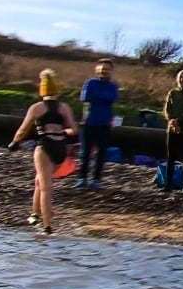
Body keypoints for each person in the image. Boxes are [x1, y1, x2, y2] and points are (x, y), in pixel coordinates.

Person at [9, 69, 77, 234]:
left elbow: (23, 129)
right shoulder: (64, 107)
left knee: (45, 186)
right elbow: (73, 130)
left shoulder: (37, 108)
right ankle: (34, 214)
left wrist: (15, 142)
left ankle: (47, 227)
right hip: (60, 147)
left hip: (44, 146)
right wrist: (61, 132)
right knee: (40, 180)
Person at [78, 59, 119, 190]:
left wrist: (98, 97)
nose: (103, 71)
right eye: (101, 69)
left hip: (104, 123)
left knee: (102, 152)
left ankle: (96, 179)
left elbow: (112, 98)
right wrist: (102, 98)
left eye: (106, 69)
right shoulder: (90, 82)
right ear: (97, 70)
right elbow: (84, 98)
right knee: (85, 152)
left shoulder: (113, 86)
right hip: (88, 122)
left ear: (111, 71)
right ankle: (82, 178)